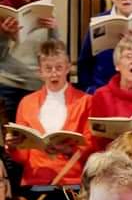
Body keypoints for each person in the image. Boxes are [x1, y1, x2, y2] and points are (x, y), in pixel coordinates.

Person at [7, 39, 93, 189]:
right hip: (35, 180)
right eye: (48, 68)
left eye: (59, 67)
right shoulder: (26, 103)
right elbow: (23, 156)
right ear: (40, 72)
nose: (54, 73)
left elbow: (92, 146)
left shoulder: (86, 101)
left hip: (72, 181)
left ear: (68, 68)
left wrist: (68, 150)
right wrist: (13, 146)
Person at [0, 0, 58, 120]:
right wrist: (4, 35)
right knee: (9, 140)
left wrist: (54, 29)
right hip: (7, 85)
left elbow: (56, 51)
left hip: (36, 84)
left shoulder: (45, 9)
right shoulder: (2, 10)